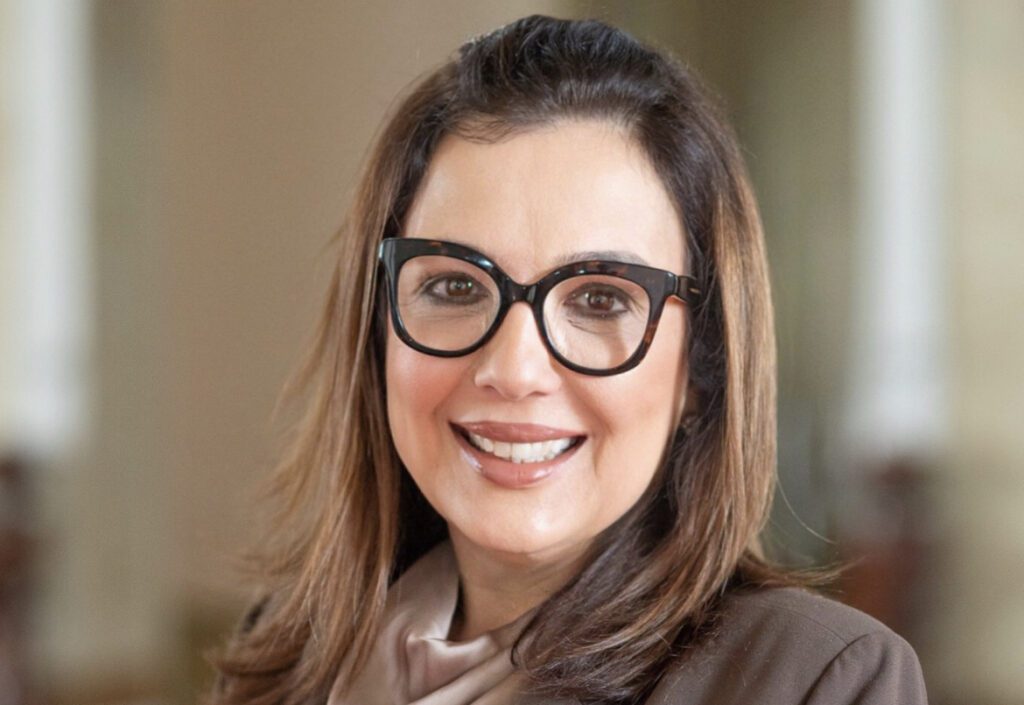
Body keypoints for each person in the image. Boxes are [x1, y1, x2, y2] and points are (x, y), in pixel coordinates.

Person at [207, 15, 928, 705]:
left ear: (701, 369)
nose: (515, 370)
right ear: (378, 334)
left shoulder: (815, 681)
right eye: (455, 286)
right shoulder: (288, 658)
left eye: (600, 299)